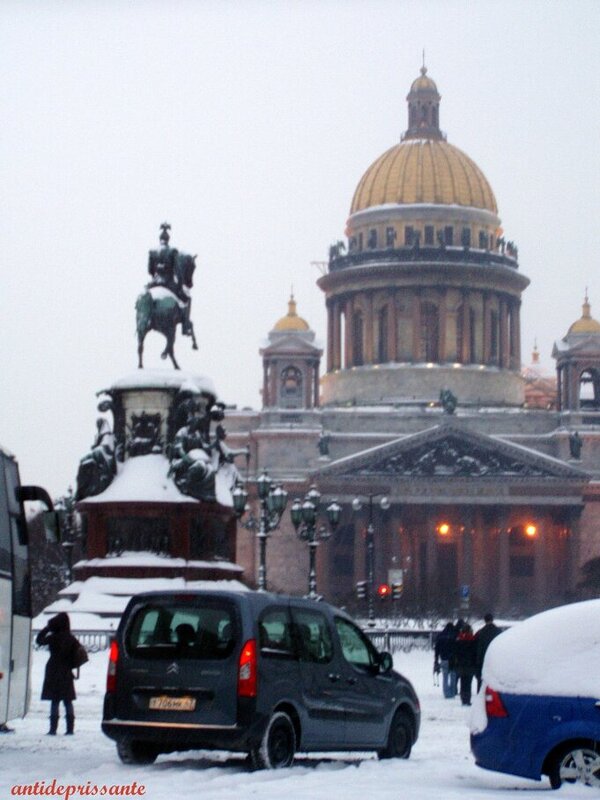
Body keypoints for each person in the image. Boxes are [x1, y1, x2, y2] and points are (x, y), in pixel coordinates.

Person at [36, 612, 80, 735]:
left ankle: (53, 729)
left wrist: (47, 628)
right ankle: (70, 729)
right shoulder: (71, 638)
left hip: (53, 670)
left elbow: (39, 640)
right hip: (66, 671)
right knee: (68, 700)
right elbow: (77, 653)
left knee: (55, 700)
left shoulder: (53, 638)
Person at [475, 613, 502, 691]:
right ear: (492, 619)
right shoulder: (498, 631)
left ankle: (481, 694)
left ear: (484, 620)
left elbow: (478, 647)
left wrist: (478, 661)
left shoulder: (481, 632)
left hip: (483, 658)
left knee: (482, 679)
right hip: (495, 658)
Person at [453, 622, 477, 706]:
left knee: (462, 683)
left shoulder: (459, 641)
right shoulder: (474, 641)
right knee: (468, 683)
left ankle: (463, 699)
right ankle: (468, 699)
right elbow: (475, 653)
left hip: (461, 665)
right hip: (470, 665)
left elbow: (456, 653)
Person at [433, 622, 457, 698]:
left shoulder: (440, 636)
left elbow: (437, 649)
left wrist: (436, 659)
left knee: (445, 677)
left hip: (444, 659)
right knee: (453, 676)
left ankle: (446, 693)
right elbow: (457, 648)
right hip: (453, 659)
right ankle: (452, 692)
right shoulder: (454, 636)